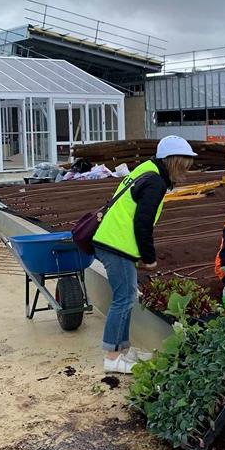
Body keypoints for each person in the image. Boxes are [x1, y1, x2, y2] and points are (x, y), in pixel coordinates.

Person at [93, 135, 197, 373]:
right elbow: (143, 223)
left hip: (114, 241)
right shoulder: (155, 182)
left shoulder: (146, 170)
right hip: (116, 244)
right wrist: (149, 258)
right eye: (184, 165)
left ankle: (122, 351)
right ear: (173, 161)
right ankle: (111, 357)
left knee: (127, 296)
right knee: (123, 298)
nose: (186, 171)